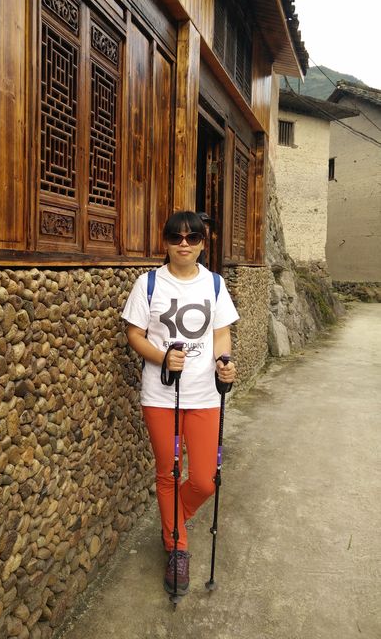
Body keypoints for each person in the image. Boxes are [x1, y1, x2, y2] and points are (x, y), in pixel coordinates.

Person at [122, 210, 239, 595]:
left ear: (203, 243)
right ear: (167, 243)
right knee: (169, 473)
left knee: (205, 480)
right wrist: (162, 357)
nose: (184, 244)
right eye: (176, 237)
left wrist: (224, 362)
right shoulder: (149, 284)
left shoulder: (215, 284)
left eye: (192, 237)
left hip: (205, 395)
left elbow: (220, 334)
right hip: (161, 395)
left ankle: (173, 520)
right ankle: (177, 546)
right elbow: (134, 334)